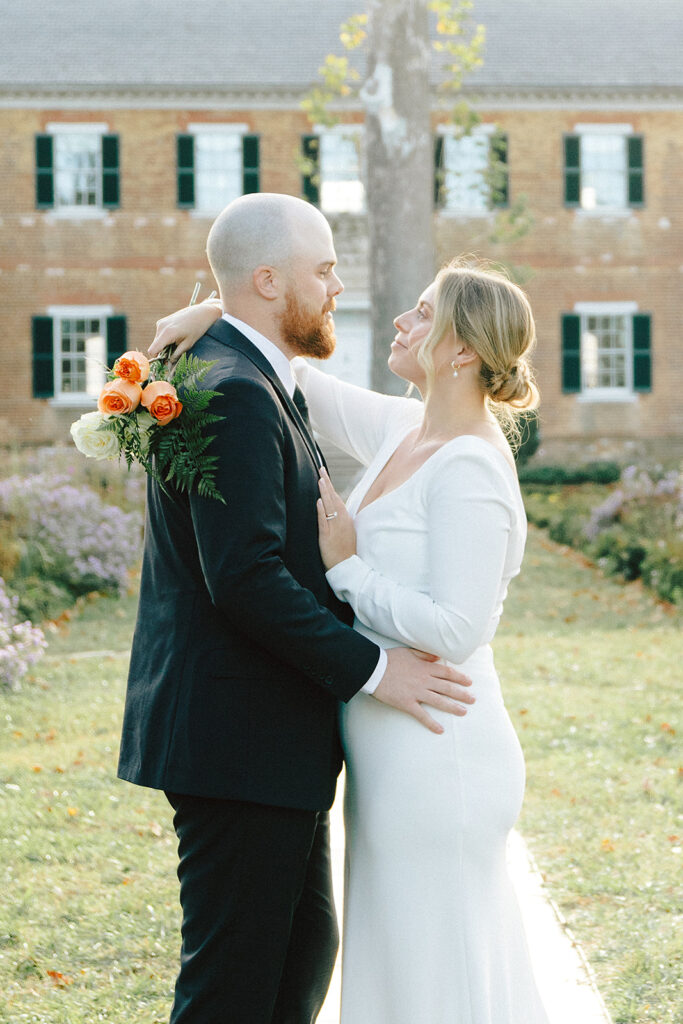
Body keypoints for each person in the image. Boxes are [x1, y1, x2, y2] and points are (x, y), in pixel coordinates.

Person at [154, 255, 551, 1023]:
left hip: (441, 744)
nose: (400, 322)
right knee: (395, 952)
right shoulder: (407, 426)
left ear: (461, 350)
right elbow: (292, 380)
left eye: (421, 313)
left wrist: (349, 570)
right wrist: (214, 316)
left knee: (438, 958)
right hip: (387, 749)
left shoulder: (469, 464)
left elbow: (459, 627)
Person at [118, 192, 474, 1024]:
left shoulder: (249, 376)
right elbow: (244, 578)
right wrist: (379, 672)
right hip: (236, 738)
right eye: (324, 270)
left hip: (265, 738)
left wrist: (210, 304)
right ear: (271, 282)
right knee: (234, 988)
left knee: (297, 960)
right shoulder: (236, 389)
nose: (339, 286)